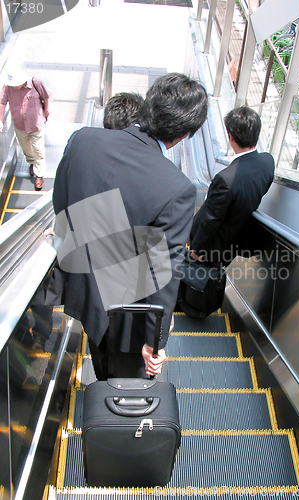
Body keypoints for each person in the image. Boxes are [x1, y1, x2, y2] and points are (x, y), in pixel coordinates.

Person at [52, 72, 208, 380]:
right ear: (185, 135)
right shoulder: (177, 188)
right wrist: (155, 342)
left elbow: (62, 201)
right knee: (124, 385)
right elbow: (163, 275)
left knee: (101, 360)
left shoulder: (83, 139)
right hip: (126, 317)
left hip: (81, 290)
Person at [190, 105, 275, 266]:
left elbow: (211, 220)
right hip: (234, 244)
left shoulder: (225, 179)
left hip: (213, 249)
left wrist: (197, 250)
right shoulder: (267, 162)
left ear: (231, 137)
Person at [0, 65, 50, 191]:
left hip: (36, 123)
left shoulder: (35, 83)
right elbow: (2, 102)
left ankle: (39, 174)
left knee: (38, 149)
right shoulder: (8, 87)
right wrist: (0, 120)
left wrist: (46, 112)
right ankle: (32, 162)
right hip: (19, 124)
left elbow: (45, 97)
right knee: (26, 148)